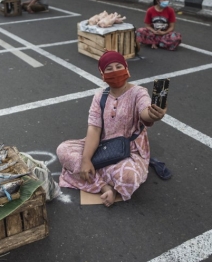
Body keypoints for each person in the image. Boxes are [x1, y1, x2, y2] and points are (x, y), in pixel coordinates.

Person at [57, 51, 167, 207]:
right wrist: (87, 159)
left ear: (126, 68)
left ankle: (93, 175)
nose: (115, 71)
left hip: (129, 152)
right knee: (64, 149)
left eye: (118, 66)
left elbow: (145, 112)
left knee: (128, 176)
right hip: (102, 146)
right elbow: (94, 129)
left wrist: (153, 114)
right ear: (102, 74)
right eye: (109, 68)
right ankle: (105, 186)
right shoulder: (99, 96)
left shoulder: (138, 92)